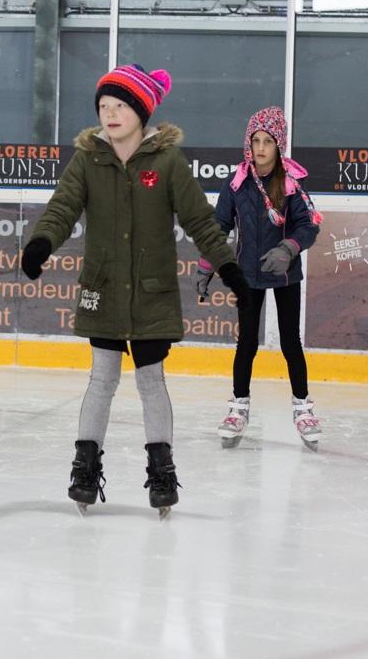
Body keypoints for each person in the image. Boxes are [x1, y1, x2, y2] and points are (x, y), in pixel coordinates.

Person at [20, 64, 251, 517]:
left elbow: (200, 221)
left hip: (152, 291)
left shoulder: (166, 163)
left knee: (150, 380)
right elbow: (62, 206)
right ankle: (85, 468)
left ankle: (161, 472)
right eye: (103, 106)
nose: (110, 114)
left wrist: (228, 266)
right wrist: (41, 243)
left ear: (141, 111)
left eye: (119, 105)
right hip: (102, 288)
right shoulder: (88, 159)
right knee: (102, 379)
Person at [197, 106, 322, 451]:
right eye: (256, 140)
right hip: (248, 276)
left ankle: (302, 407)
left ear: (279, 145)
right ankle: (238, 406)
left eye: (269, 141)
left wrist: (290, 247)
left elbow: (308, 225)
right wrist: (207, 265)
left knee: (290, 343)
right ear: (248, 145)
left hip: (284, 275)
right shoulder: (237, 185)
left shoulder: (291, 183)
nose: (262, 147)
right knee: (247, 343)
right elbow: (218, 226)